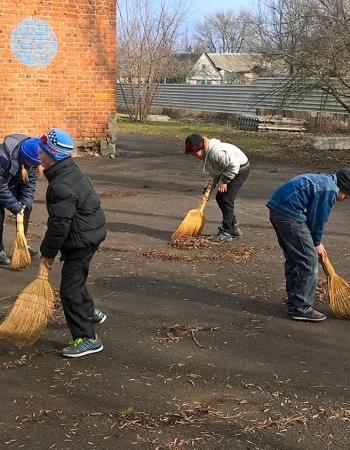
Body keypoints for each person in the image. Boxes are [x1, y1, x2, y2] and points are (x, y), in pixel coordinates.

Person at [38, 128, 107, 358]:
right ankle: (90, 313)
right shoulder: (68, 171)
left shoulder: (61, 185)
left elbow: (59, 226)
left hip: (82, 239)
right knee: (76, 281)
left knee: (69, 290)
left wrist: (47, 253)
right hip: (89, 233)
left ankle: (87, 338)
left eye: (42, 152)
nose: (39, 157)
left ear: (53, 155)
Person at [267, 169, 350, 322]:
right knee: (309, 262)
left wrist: (314, 241)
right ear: (343, 187)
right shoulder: (329, 189)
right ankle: (302, 308)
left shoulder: (325, 180)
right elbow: (317, 219)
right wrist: (316, 243)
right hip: (289, 214)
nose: (345, 199)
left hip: (278, 210)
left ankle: (294, 301)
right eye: (346, 195)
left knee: (294, 258)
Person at [185, 133, 250, 242]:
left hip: (240, 169)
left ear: (202, 147)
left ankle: (226, 232)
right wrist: (207, 190)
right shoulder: (207, 155)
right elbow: (215, 174)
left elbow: (234, 165)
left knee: (227, 199)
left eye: (195, 153)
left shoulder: (216, 153)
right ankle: (233, 226)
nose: (194, 156)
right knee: (220, 198)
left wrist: (224, 181)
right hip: (228, 169)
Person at [0, 134, 42, 265]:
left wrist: (24, 204)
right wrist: (16, 207)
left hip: (13, 181)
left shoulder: (34, 154)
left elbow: (30, 182)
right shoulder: (3, 158)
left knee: (26, 207)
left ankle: (22, 242)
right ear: (26, 158)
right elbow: (0, 187)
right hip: (2, 184)